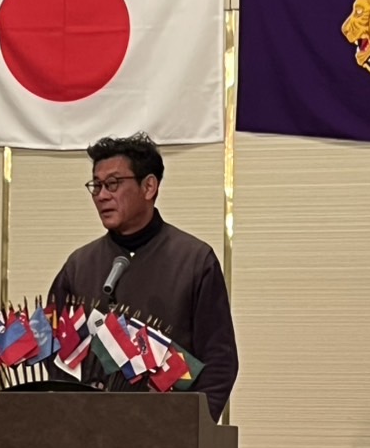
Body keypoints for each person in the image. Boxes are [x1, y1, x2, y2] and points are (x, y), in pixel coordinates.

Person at [48, 133, 238, 421]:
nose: (102, 195)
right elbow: (54, 351)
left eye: (113, 184)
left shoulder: (194, 261)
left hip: (165, 432)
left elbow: (219, 363)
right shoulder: (79, 266)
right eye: (96, 185)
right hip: (86, 430)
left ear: (149, 186)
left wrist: (192, 429)